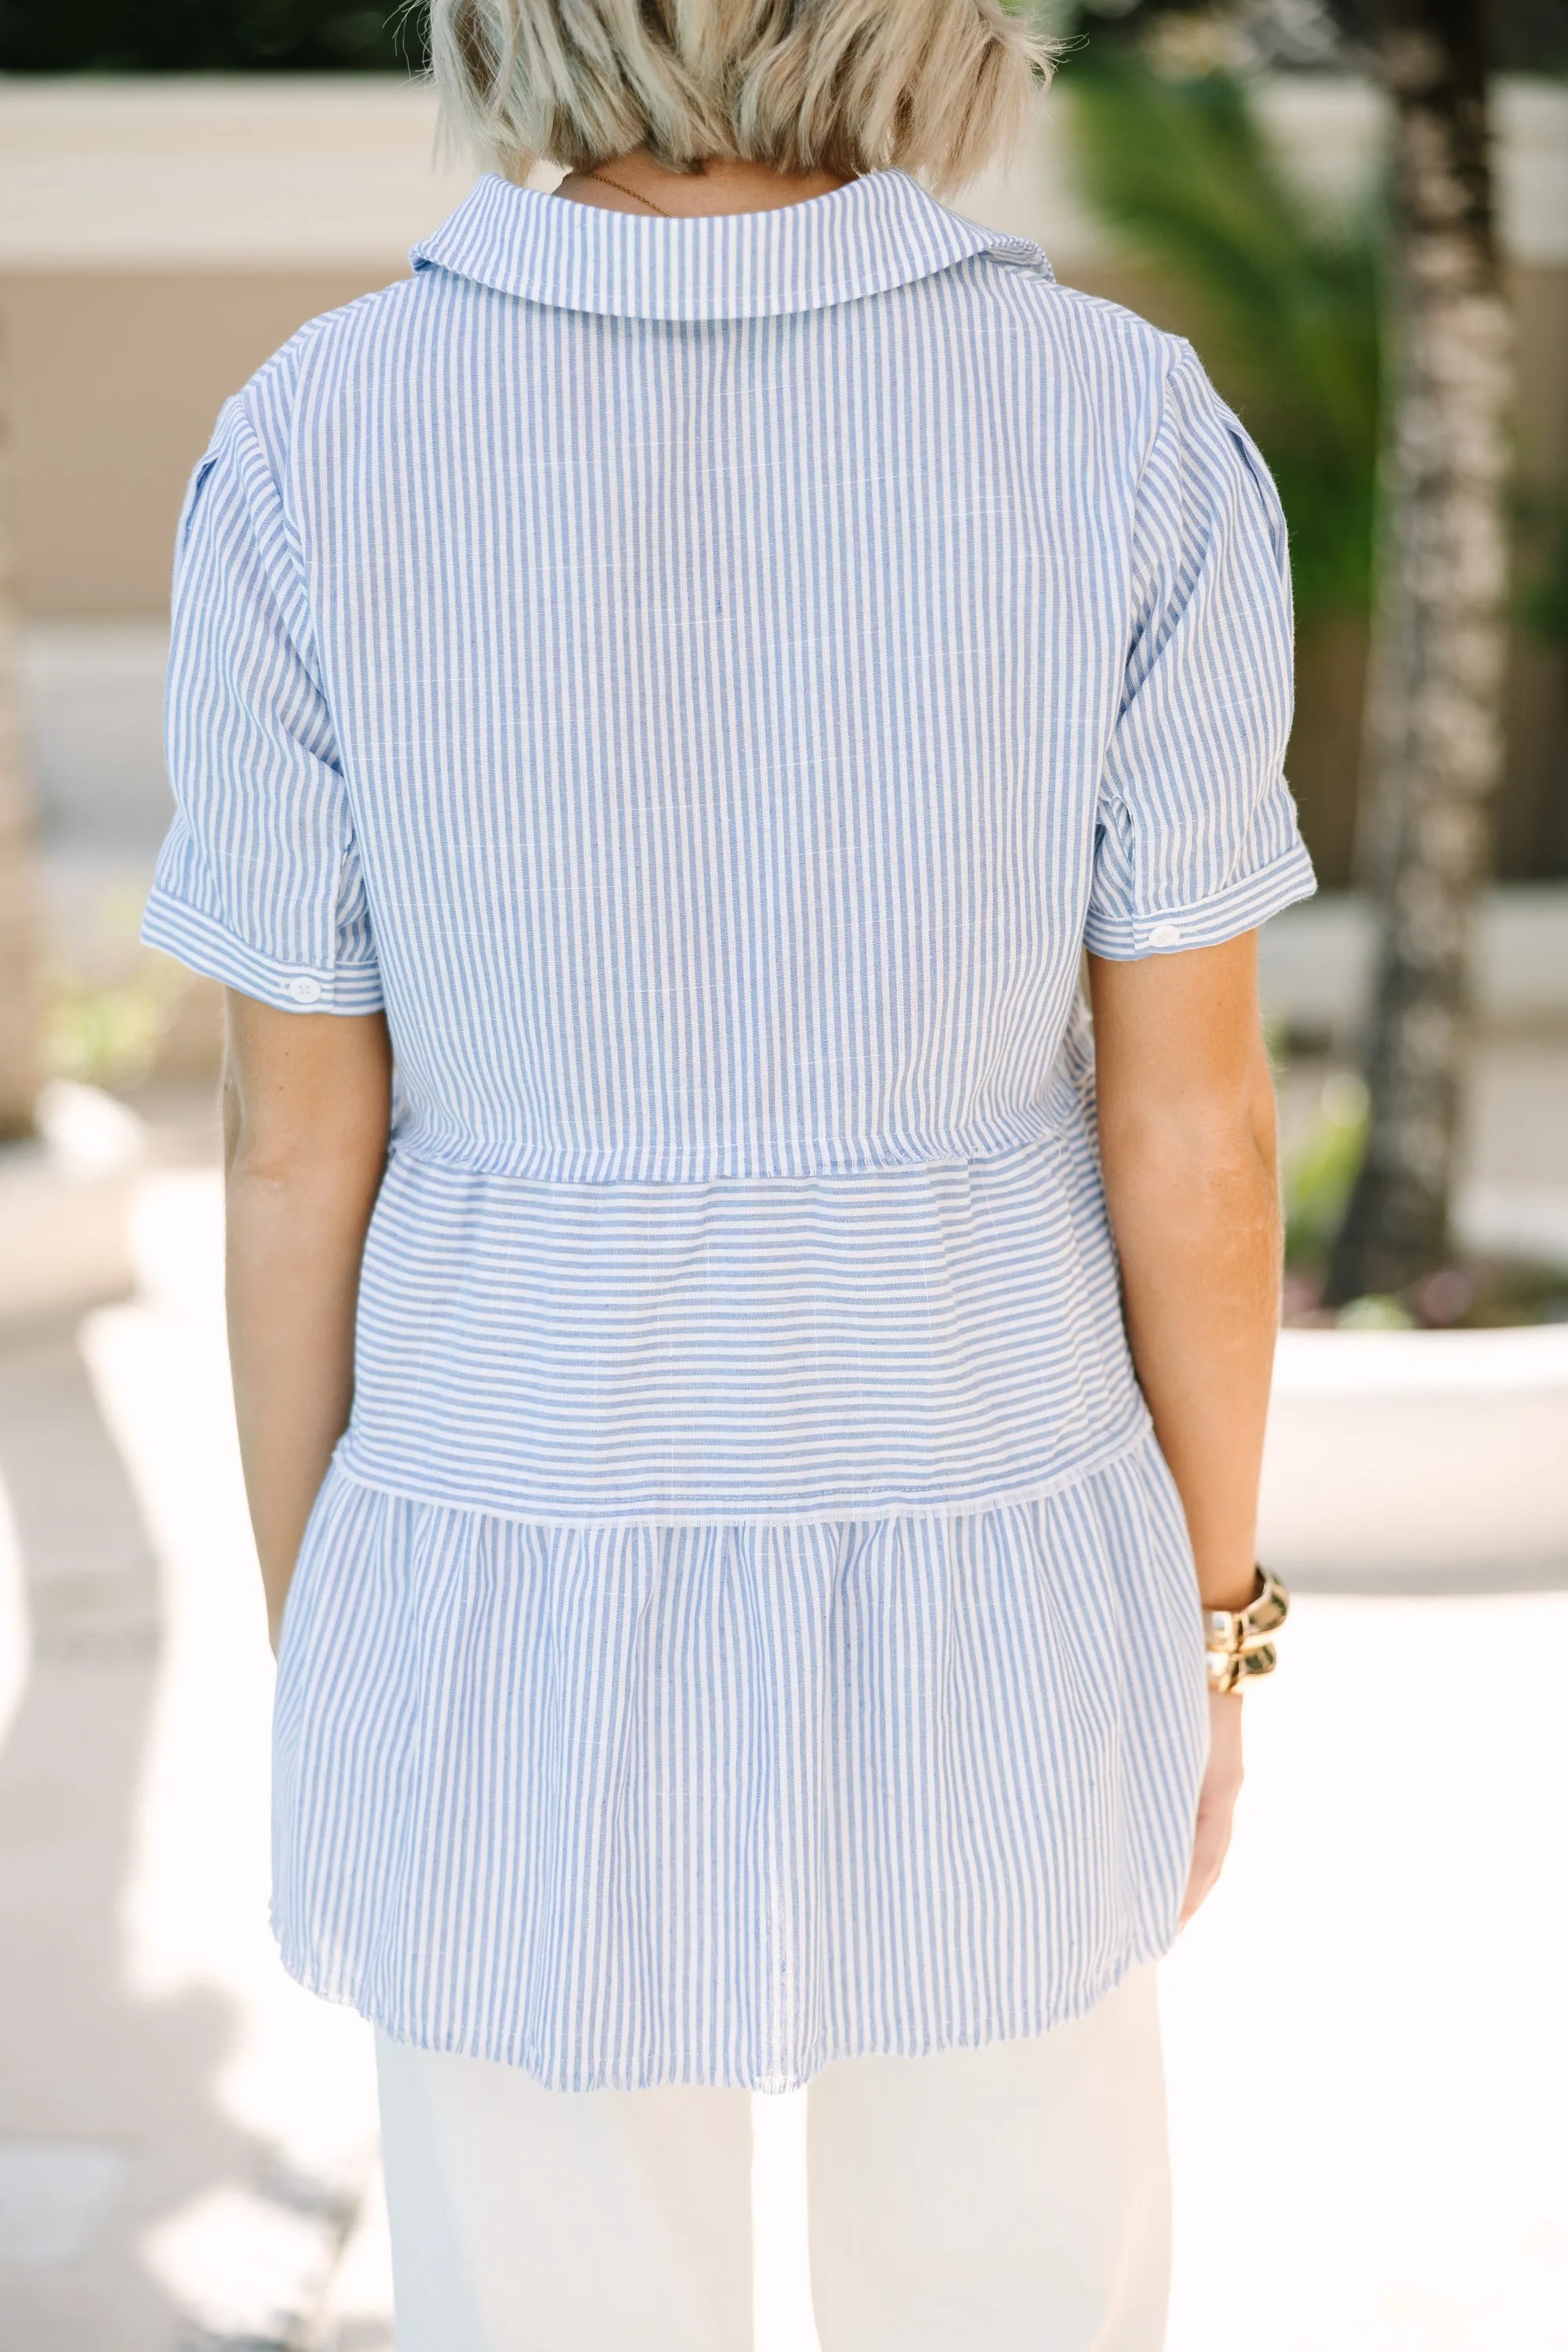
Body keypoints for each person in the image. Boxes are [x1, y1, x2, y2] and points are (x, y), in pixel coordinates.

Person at [143, 2, 1313, 2343]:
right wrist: (1207, 1627)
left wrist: (333, 1624)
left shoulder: (311, 444)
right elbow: (1195, 1130)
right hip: (993, 1520)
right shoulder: (1126, 433)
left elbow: (296, 1150)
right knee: (1015, 2293)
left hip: (497, 1527)